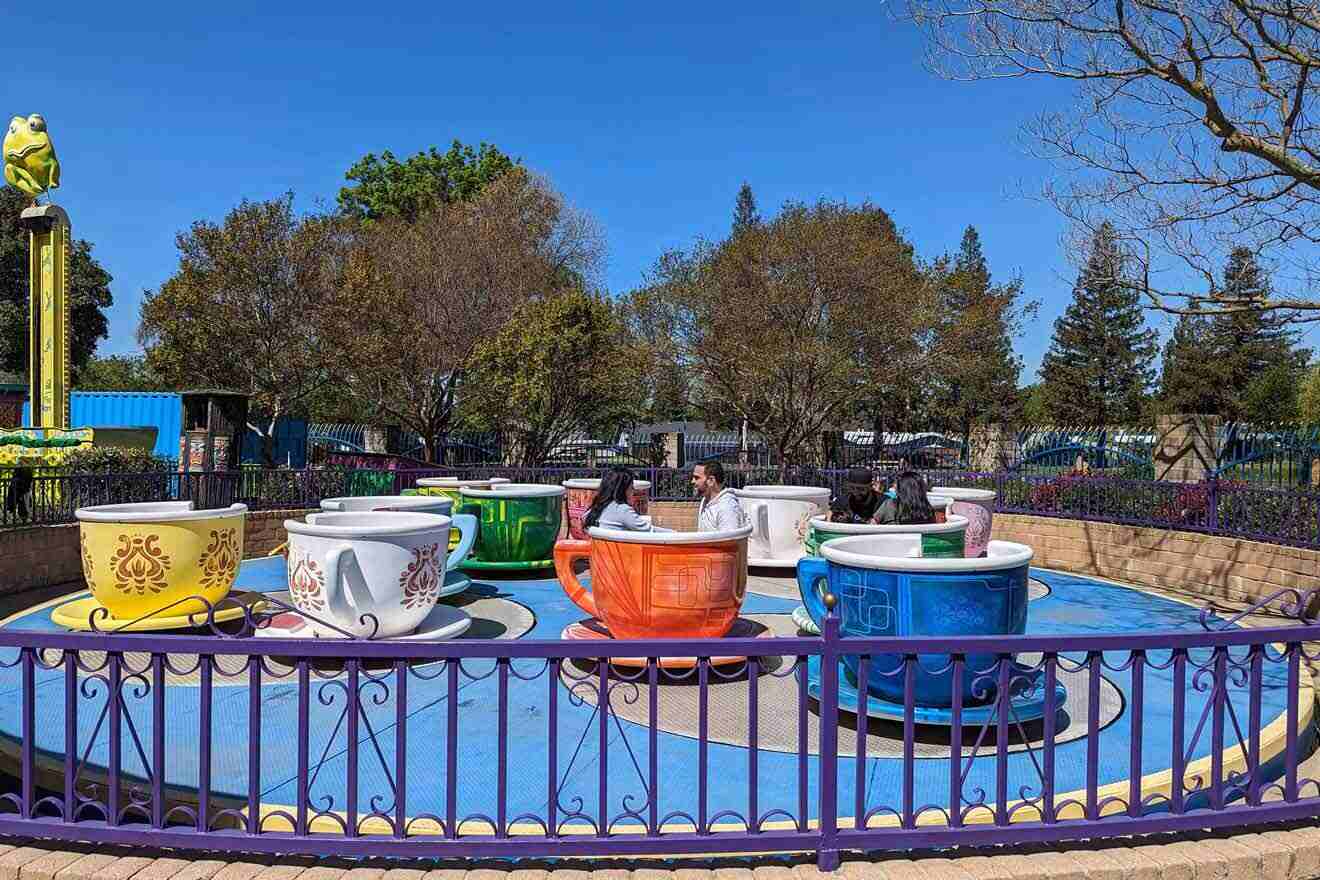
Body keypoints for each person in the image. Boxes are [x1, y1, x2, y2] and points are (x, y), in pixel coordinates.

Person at [581, 466, 653, 532]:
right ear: (622, 490)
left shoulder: (596, 508)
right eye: (631, 488)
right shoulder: (623, 510)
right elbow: (649, 530)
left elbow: (584, 518)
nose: (633, 491)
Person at [692, 460, 746, 531]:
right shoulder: (705, 501)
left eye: (696, 478)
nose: (692, 481)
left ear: (711, 480)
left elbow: (729, 540)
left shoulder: (727, 508)